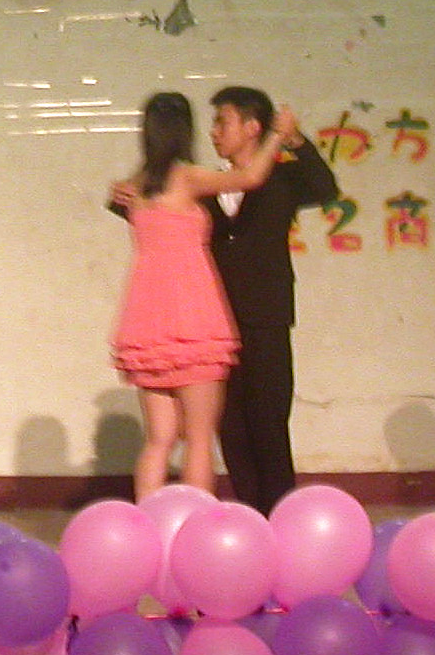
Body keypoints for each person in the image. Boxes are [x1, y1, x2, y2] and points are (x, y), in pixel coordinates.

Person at [108, 91, 293, 500]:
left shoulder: (135, 186)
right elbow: (251, 177)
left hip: (147, 317)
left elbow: (124, 206)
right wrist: (277, 136)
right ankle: (195, 524)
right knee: (198, 438)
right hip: (192, 313)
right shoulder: (187, 176)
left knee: (158, 440)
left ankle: (149, 525)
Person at [201, 86, 337, 514]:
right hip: (214, 319)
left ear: (252, 127)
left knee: (269, 422)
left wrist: (294, 139)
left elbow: (326, 187)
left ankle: (280, 515)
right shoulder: (206, 183)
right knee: (231, 426)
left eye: (222, 122)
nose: (213, 132)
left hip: (267, 314)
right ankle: (248, 515)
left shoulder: (281, 179)